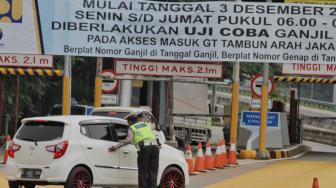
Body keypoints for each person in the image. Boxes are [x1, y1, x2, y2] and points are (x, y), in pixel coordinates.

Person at [109, 112, 160, 188]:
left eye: (128, 122)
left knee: (143, 172)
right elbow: (154, 136)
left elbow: (128, 140)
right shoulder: (146, 125)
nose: (128, 124)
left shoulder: (132, 128)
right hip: (155, 148)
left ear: (130, 122)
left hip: (145, 149)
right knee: (153, 172)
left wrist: (115, 147)